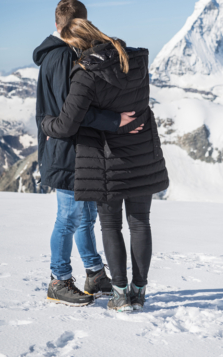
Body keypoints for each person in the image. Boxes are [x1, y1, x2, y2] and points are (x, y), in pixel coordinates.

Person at [42, 18, 169, 312]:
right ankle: (139, 290)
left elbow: (67, 122)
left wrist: (46, 122)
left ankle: (121, 294)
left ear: (76, 44)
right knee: (140, 222)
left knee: (111, 225)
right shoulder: (134, 58)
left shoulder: (86, 72)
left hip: (106, 158)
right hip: (141, 154)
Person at [33, 0, 142, 307]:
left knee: (85, 216)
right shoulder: (61, 58)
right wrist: (115, 121)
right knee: (68, 217)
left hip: (75, 149)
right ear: (79, 24)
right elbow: (73, 112)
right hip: (66, 150)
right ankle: (59, 280)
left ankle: (94, 273)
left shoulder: (66, 54)